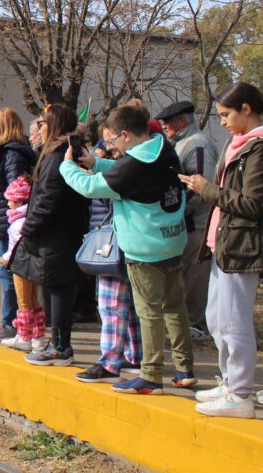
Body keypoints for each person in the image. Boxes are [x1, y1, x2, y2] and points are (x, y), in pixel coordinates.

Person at [62, 104, 195, 394]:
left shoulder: (135, 165)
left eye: (112, 141)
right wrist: (96, 163)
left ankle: (150, 375)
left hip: (144, 248)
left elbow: (92, 188)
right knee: (174, 307)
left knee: (148, 313)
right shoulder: (163, 148)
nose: (111, 147)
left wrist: (67, 166)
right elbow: (124, 172)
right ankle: (185, 370)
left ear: (124, 134)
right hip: (172, 240)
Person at [181, 82, 263, 418]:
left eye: (227, 115)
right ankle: (230, 381)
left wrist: (208, 189)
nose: (223, 122)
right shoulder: (237, 143)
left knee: (233, 321)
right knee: (217, 319)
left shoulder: (256, 148)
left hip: (241, 249)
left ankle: (240, 392)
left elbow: (254, 204)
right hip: (223, 245)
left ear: (246, 109)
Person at [11, 104, 89, 366]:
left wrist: (29, 228)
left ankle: (60, 346)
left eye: (42, 124)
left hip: (56, 235)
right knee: (57, 289)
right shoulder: (63, 152)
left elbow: (48, 199)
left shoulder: (57, 156)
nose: (38, 129)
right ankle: (58, 344)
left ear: (53, 125)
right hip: (60, 233)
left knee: (58, 290)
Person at [156, 100, 219, 339]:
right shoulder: (181, 143)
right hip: (184, 223)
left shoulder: (197, 144)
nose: (164, 127)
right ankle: (188, 322)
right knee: (184, 277)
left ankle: (197, 324)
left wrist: (177, 210)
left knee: (195, 277)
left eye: (167, 123)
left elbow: (200, 184)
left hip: (196, 224)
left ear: (181, 121)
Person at [0, 108, 37, 342]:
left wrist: (7, 220)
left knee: (8, 273)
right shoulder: (2, 152)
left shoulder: (12, 154)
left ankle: (10, 322)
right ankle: (10, 321)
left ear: (2, 128)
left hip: (9, 223)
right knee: (6, 273)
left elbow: (15, 191)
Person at [73, 195, 143, 383]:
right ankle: (136, 356)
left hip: (113, 240)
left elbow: (111, 195)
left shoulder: (113, 169)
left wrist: (88, 177)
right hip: (130, 238)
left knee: (111, 306)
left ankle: (109, 364)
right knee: (130, 306)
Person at [0, 175, 45, 352]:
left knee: (24, 302)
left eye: (10, 200)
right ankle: (37, 337)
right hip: (33, 265)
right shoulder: (30, 218)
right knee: (34, 301)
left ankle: (24, 336)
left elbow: (16, 248)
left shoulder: (18, 223)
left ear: (18, 201)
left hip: (21, 265)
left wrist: (3, 258)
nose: (8, 204)